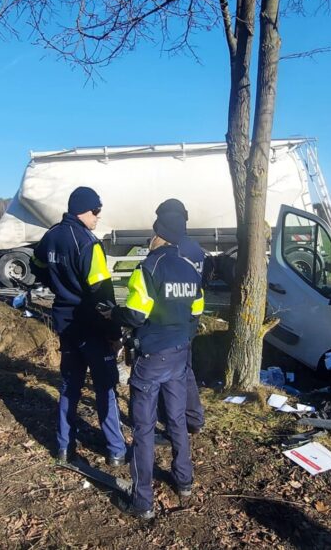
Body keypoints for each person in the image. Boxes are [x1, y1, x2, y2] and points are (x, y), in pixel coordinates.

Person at [109, 204, 203, 519]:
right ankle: (184, 481)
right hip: (180, 356)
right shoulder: (190, 269)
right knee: (176, 420)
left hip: (151, 359)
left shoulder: (148, 268)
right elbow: (196, 314)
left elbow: (136, 313)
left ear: (158, 233)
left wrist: (114, 314)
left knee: (144, 428)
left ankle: (143, 501)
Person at [30, 187, 126, 467]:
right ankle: (117, 451)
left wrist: (57, 286)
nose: (98, 216)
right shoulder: (88, 243)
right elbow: (102, 293)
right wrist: (114, 333)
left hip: (65, 322)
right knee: (105, 388)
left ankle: (63, 447)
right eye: (96, 211)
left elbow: (36, 266)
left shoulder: (51, 236)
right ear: (83, 210)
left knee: (69, 386)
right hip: (91, 326)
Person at [153, 199, 207, 435]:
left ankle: (174, 420)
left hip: (166, 321)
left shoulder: (169, 249)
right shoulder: (195, 249)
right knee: (185, 369)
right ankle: (193, 418)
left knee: (171, 375)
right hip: (189, 318)